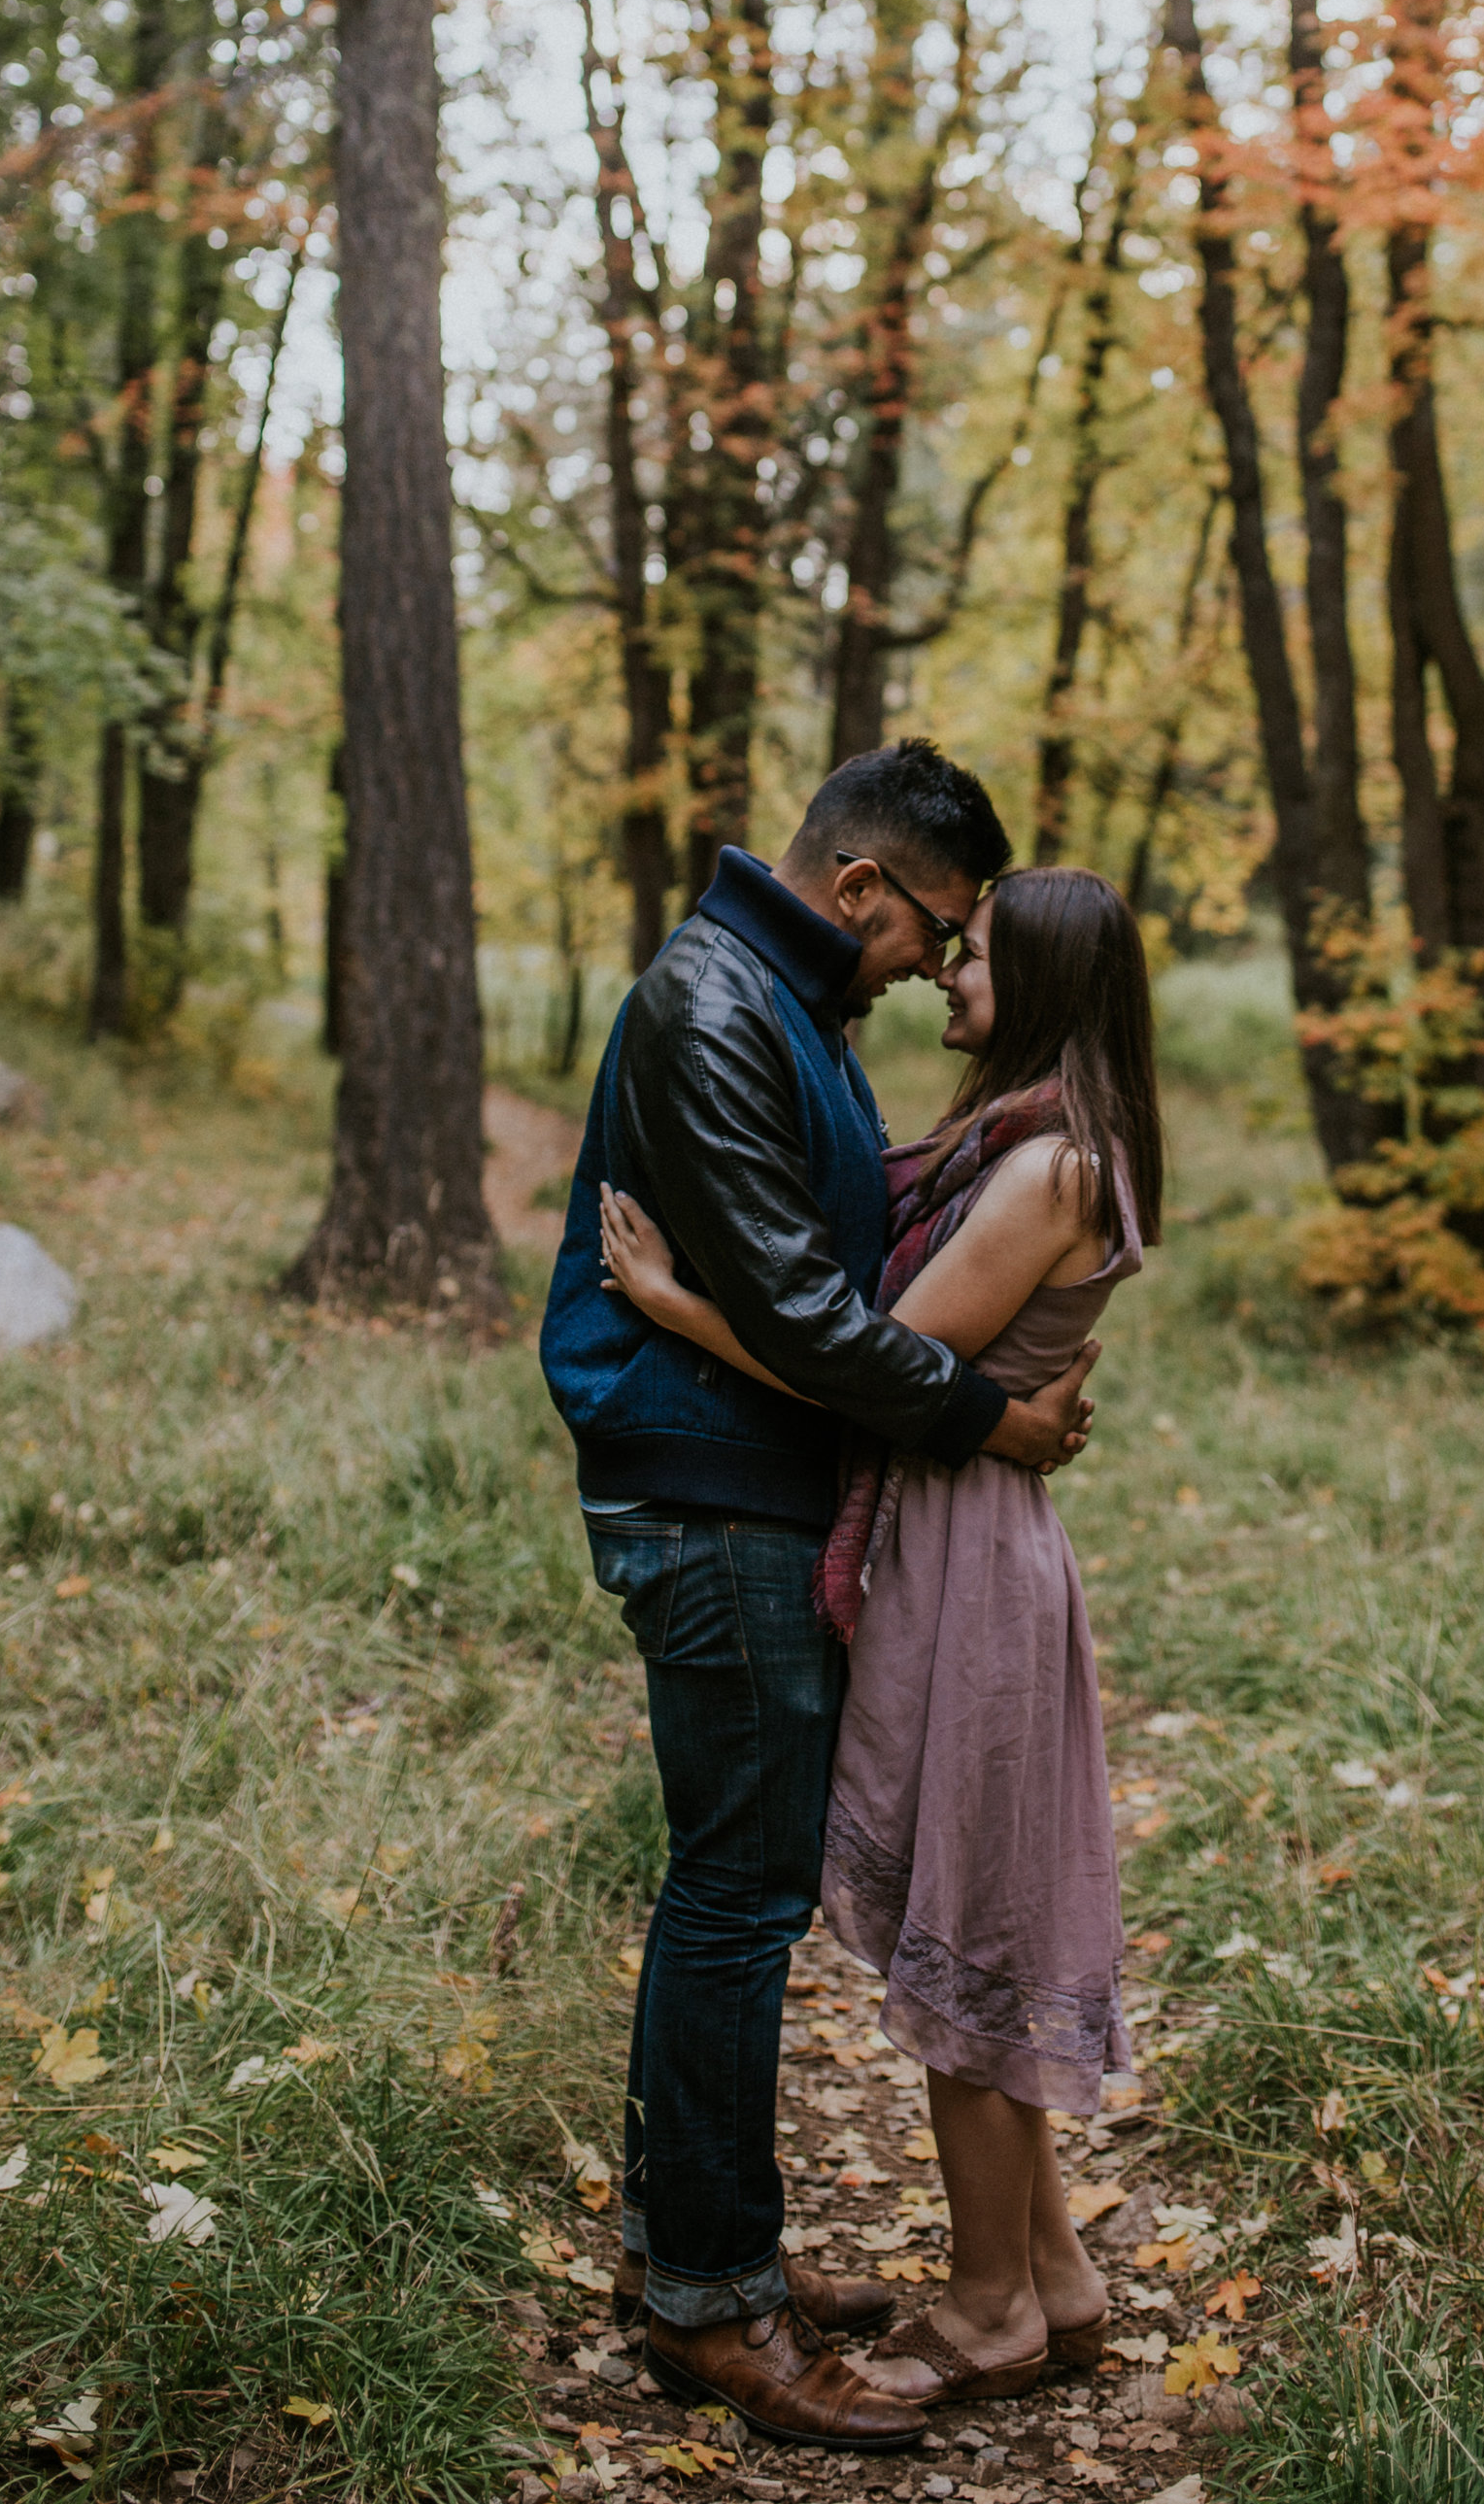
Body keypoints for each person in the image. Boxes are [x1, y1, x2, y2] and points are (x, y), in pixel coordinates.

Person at [539, 744, 1102, 2454]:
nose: (937, 962)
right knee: (735, 1891)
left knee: (743, 1882)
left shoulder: (790, 1007)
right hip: (708, 1499)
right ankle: (712, 2303)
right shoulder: (711, 1007)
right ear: (859, 885)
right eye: (933, 928)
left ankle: (704, 2250)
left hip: (751, 1483)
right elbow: (803, 1309)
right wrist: (990, 1416)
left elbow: (829, 1278)